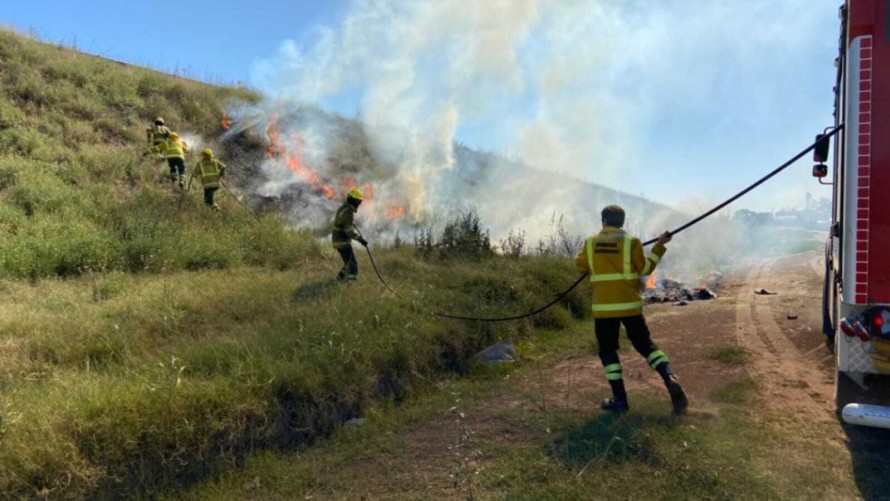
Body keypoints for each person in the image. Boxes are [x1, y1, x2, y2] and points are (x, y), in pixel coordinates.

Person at [574, 205, 688, 415]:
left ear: (603, 221)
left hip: (604, 310)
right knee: (645, 345)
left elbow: (580, 266)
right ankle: (669, 376)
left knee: (608, 351)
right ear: (622, 222)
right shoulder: (632, 242)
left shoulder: (590, 243)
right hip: (630, 307)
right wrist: (659, 246)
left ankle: (620, 400)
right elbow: (645, 269)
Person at [331, 188, 368, 282]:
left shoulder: (344, 208)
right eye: (358, 201)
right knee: (353, 265)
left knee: (348, 263)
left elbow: (343, 223)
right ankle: (351, 283)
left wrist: (350, 224)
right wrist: (361, 240)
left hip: (339, 241)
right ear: (354, 201)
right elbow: (349, 232)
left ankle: (339, 279)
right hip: (342, 242)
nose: (359, 204)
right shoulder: (347, 212)